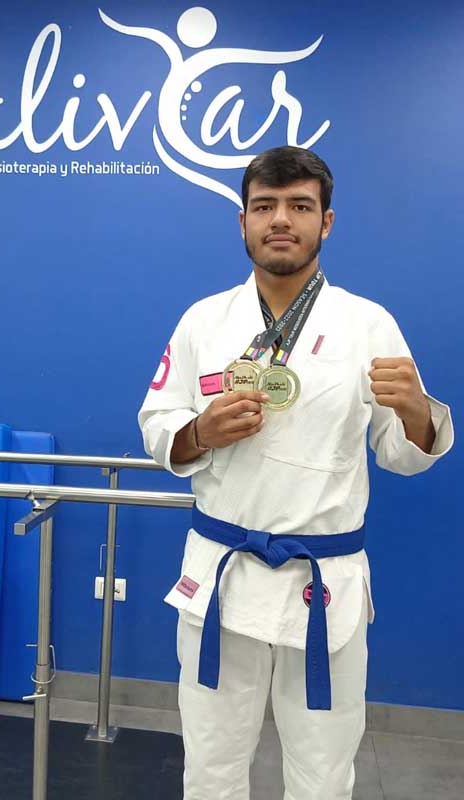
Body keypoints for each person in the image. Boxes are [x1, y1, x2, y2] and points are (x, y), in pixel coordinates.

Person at [137, 146, 454, 800]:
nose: (281, 219)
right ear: (243, 220)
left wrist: (418, 412)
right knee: (211, 770)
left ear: (325, 222)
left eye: (299, 206)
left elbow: (401, 452)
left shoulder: (368, 325)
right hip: (222, 579)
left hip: (323, 586)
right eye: (265, 206)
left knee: (323, 777)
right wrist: (199, 432)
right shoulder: (204, 321)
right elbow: (156, 421)